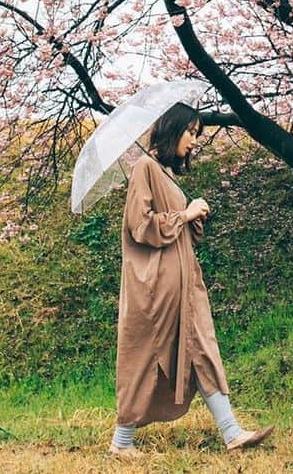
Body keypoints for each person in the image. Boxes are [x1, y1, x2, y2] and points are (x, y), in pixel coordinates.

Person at [108, 100, 275, 459]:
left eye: (197, 134)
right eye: (191, 132)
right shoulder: (144, 168)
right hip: (155, 288)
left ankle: (231, 432)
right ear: (173, 130)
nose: (195, 141)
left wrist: (193, 214)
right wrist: (184, 214)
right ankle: (121, 443)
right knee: (144, 356)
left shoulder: (164, 172)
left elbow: (181, 231)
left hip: (185, 282)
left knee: (202, 348)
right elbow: (142, 226)